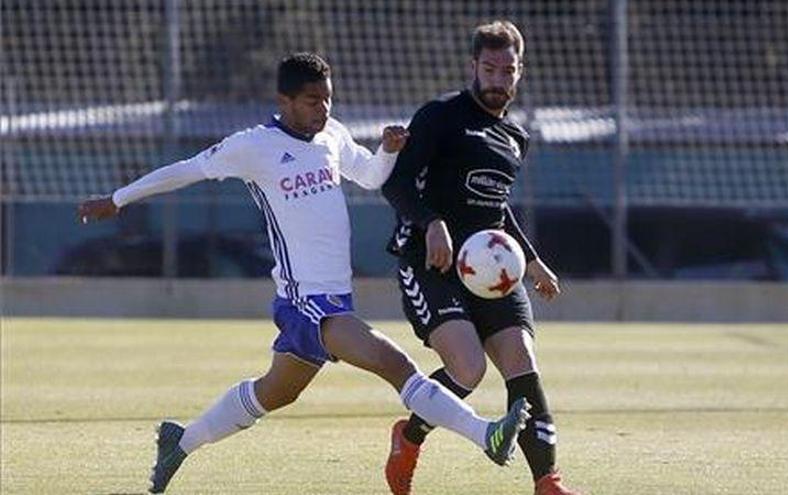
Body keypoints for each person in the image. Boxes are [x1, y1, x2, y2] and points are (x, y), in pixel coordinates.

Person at [77, 52, 530, 494]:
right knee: (398, 366)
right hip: (306, 301)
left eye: (327, 98)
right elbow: (185, 170)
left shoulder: (331, 134)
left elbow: (370, 176)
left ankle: (181, 440)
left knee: (274, 392)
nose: (323, 108)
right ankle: (485, 433)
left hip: (334, 297)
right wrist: (117, 199)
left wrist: (387, 152)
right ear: (284, 102)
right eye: (312, 101)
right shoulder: (253, 146)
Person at [381, 21, 582, 495]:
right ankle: (408, 438)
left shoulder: (516, 136)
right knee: (469, 369)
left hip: (492, 270)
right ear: (473, 66)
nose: (498, 78)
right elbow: (397, 183)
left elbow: (496, 207)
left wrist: (531, 261)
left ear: (519, 72)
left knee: (522, 362)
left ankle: (548, 482)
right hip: (430, 263)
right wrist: (432, 223)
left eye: (507, 70)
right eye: (489, 68)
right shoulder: (439, 116)